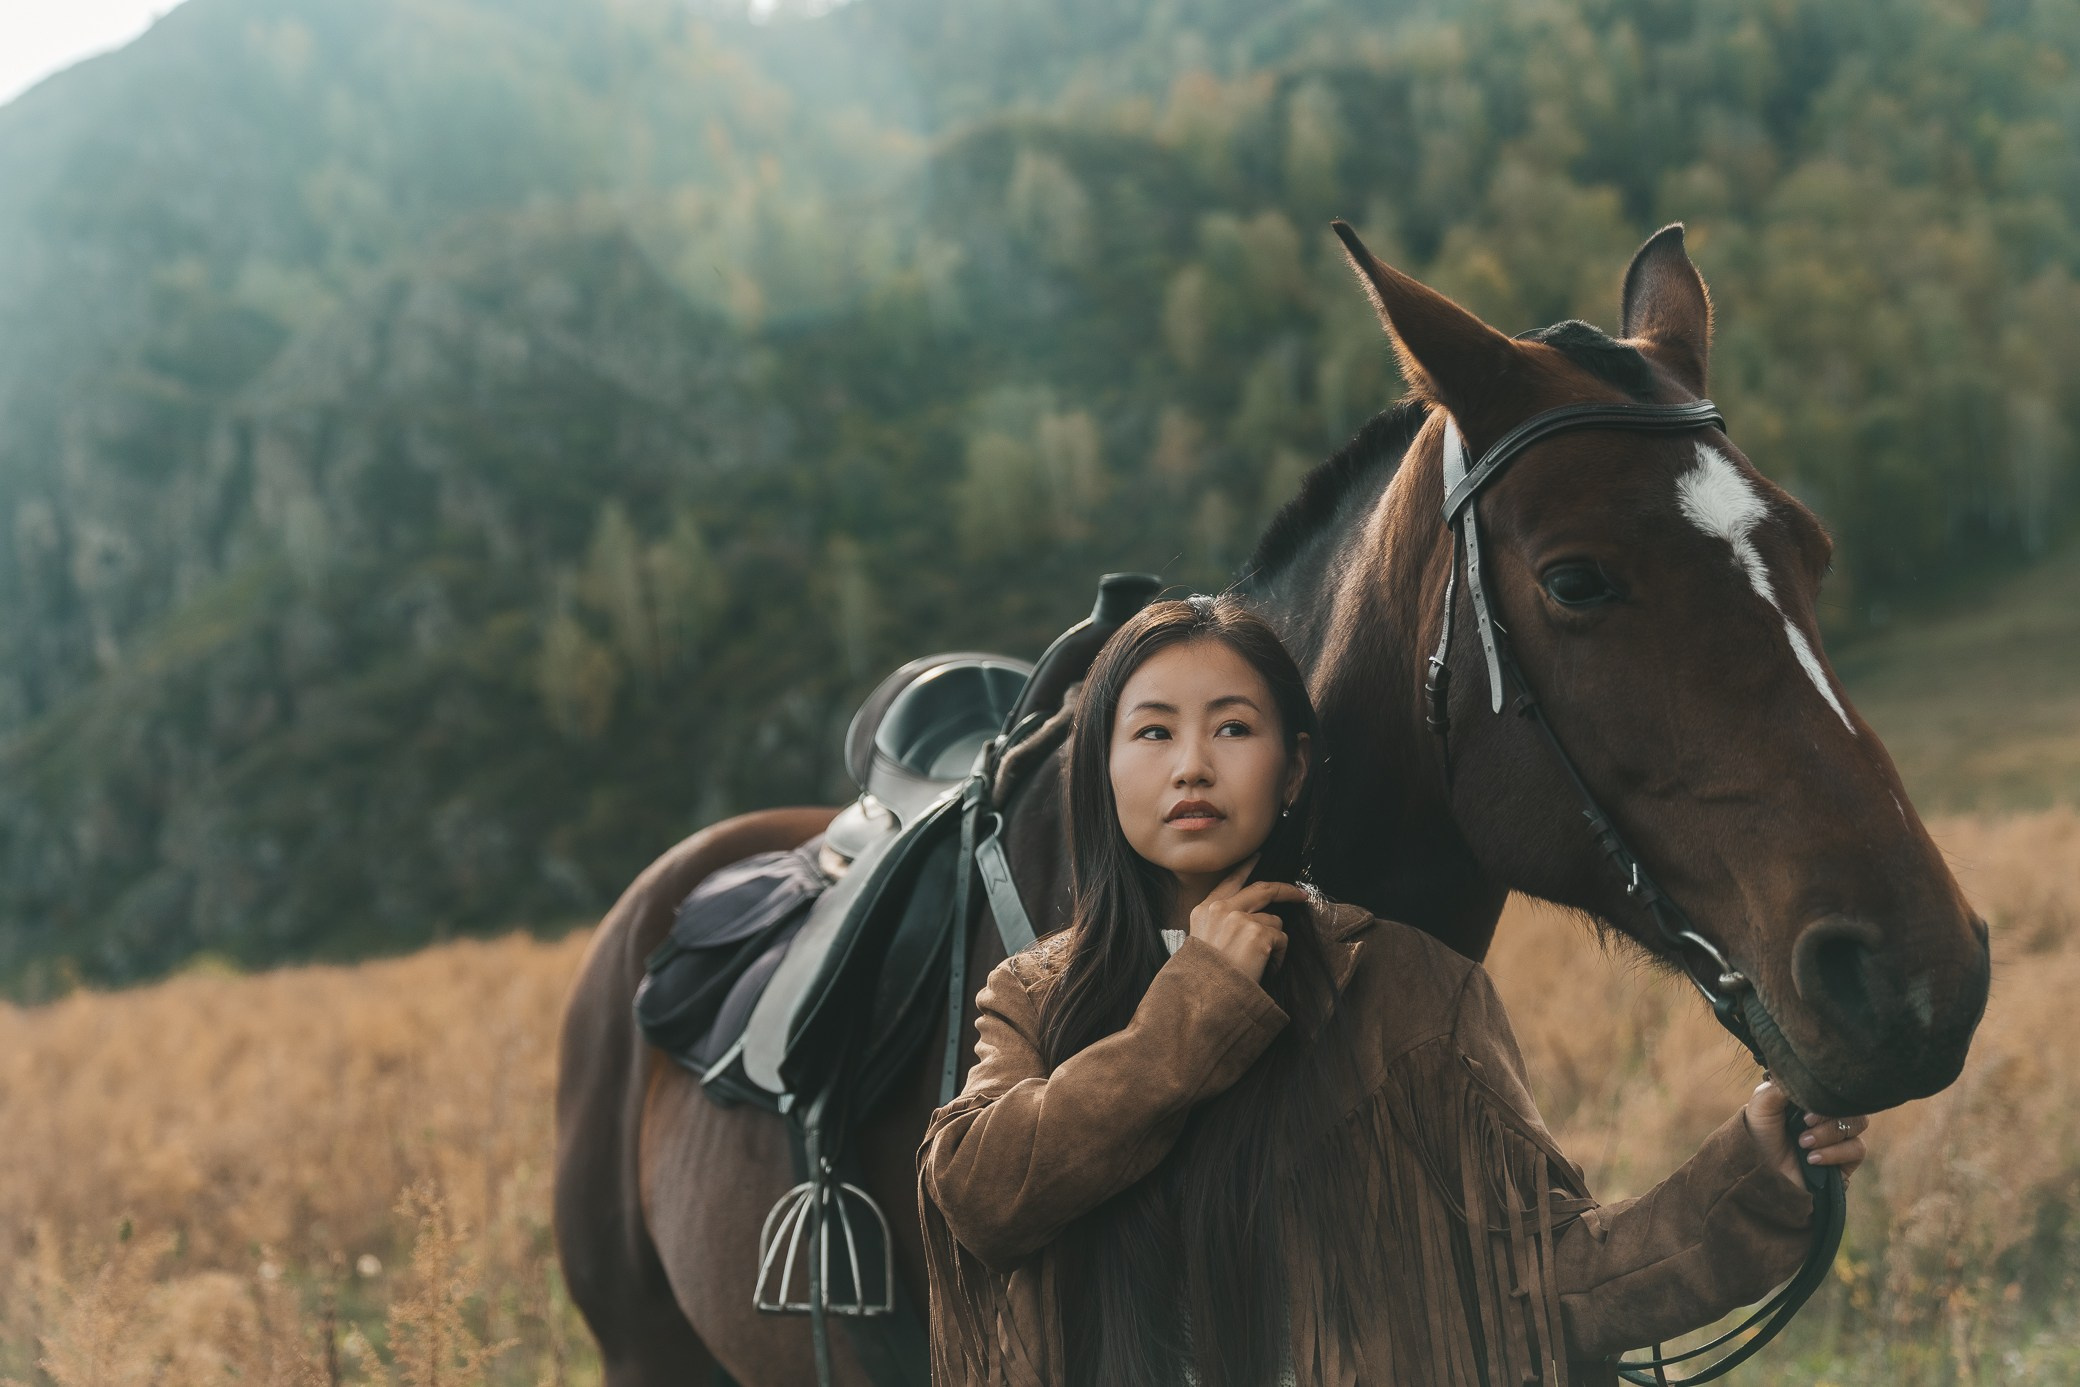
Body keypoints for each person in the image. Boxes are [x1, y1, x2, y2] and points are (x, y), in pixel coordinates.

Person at [916, 594, 1868, 1387]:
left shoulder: (1405, 986)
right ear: (1104, 771)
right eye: (1153, 730)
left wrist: (1752, 1172)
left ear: (1290, 770)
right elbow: (982, 1196)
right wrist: (1193, 1010)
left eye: (1233, 727)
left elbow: (1545, 1276)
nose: (1192, 764)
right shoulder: (1037, 995)